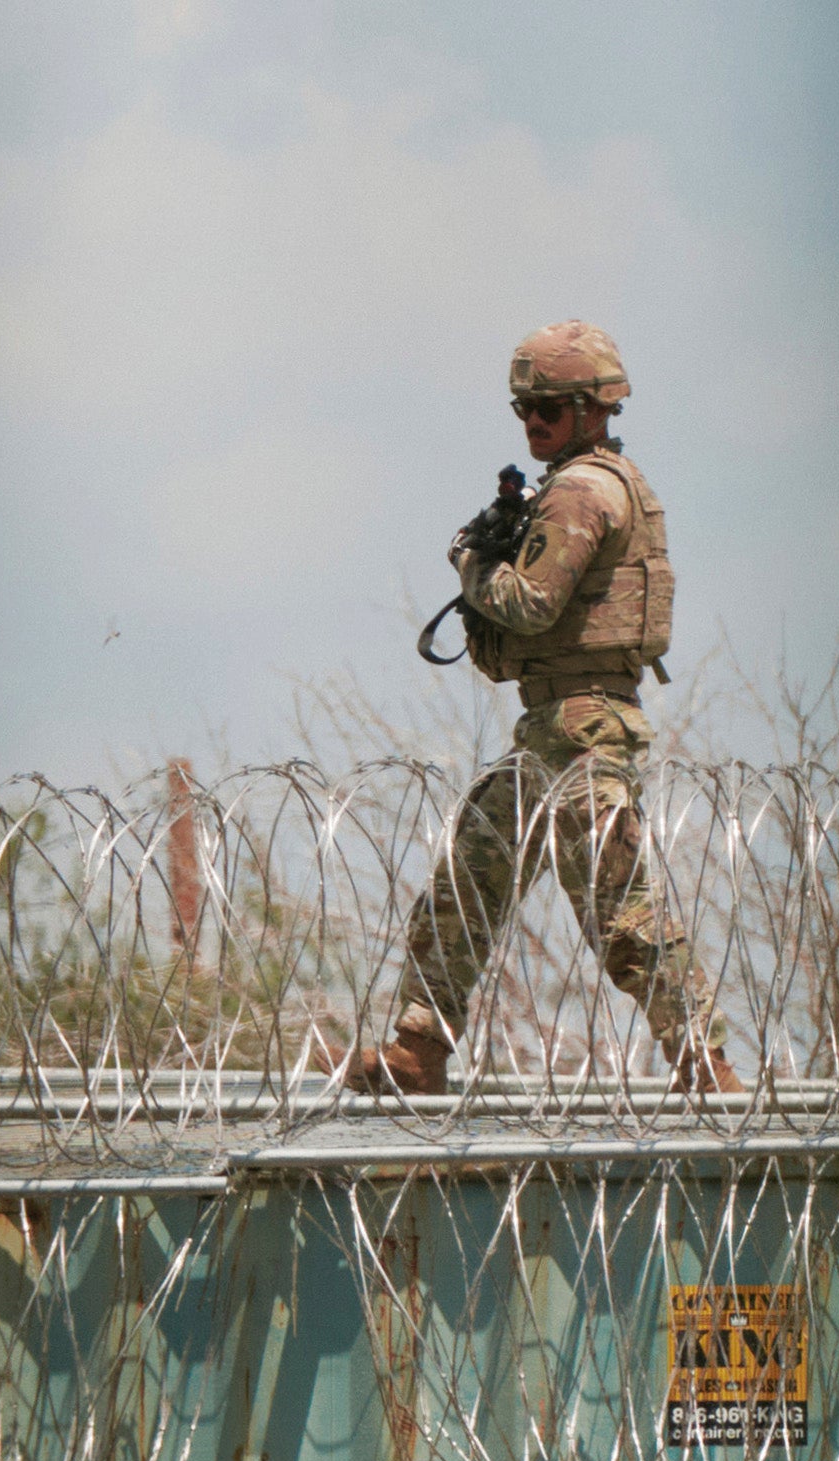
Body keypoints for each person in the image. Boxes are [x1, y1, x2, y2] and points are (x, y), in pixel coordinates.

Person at [340, 320, 734, 1097]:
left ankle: (704, 1062)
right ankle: (419, 1048)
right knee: (467, 879)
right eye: (524, 411)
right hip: (551, 727)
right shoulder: (580, 484)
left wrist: (473, 563)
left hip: (586, 729)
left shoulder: (585, 490)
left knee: (620, 910)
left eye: (548, 410)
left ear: (593, 408)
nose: (532, 425)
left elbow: (528, 602)